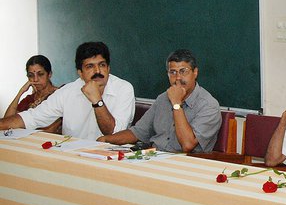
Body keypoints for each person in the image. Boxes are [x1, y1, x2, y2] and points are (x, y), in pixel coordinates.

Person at [0, 41, 135, 141]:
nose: (98, 71)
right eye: (90, 67)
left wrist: (97, 101)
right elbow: (32, 117)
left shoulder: (124, 89)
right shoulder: (68, 91)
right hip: (74, 156)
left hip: (111, 159)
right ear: (80, 73)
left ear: (109, 68)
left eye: (102, 65)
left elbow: (114, 135)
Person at [99, 49, 221, 153]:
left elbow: (187, 145)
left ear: (195, 72)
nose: (178, 77)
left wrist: (176, 104)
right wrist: (107, 139)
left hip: (186, 165)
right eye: (172, 72)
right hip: (153, 157)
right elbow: (138, 132)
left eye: (183, 71)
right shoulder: (162, 99)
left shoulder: (209, 105)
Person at [4, 55, 62, 133]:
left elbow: (49, 130)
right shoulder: (29, 99)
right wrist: (21, 92)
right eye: (31, 75)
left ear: (49, 74)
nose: (35, 79)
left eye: (40, 74)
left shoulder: (58, 95)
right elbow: (6, 122)